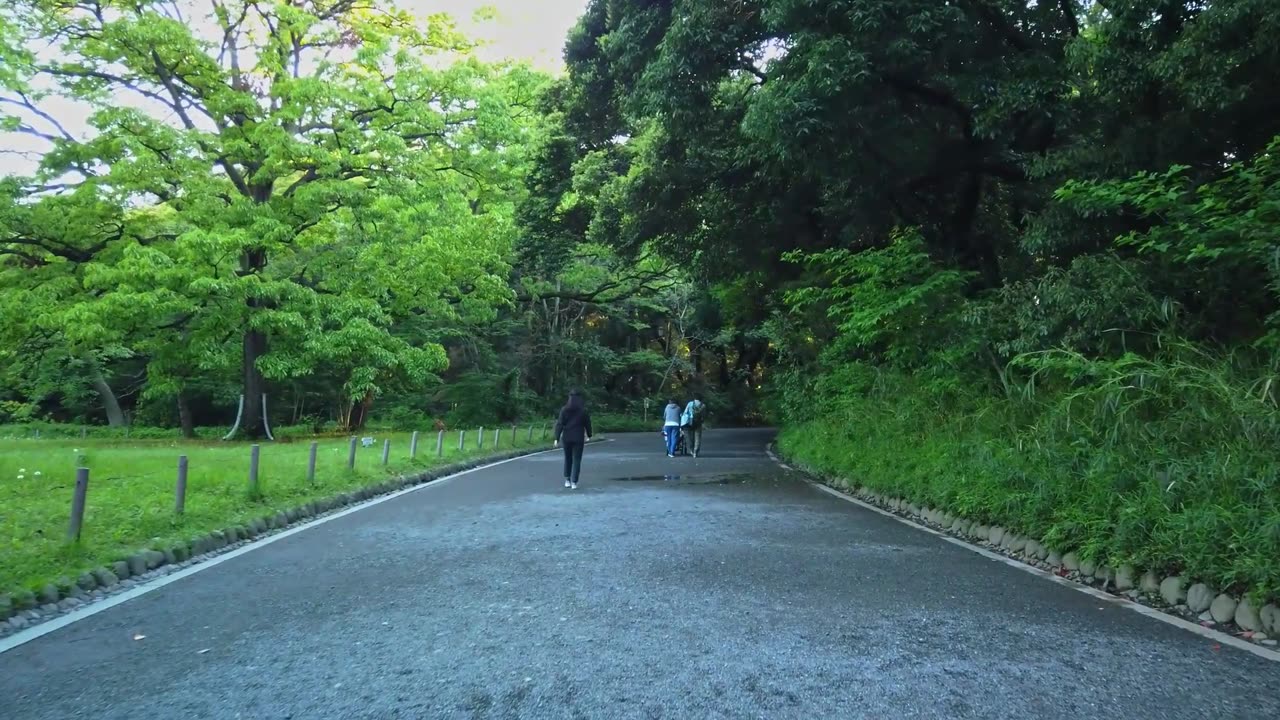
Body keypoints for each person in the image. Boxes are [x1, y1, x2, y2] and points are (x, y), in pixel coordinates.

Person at [553, 389, 592, 489]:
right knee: (577, 460)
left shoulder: (564, 410)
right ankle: (574, 482)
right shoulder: (583, 411)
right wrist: (589, 435)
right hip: (578, 437)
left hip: (567, 437)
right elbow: (587, 424)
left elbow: (560, 424)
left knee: (568, 458)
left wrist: (556, 438)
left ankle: (567, 480)